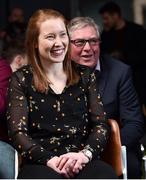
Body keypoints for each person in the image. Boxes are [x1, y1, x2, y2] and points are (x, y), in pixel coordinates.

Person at [6, 9, 117, 179]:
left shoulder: (86, 75)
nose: (59, 43)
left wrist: (84, 155)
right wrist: (50, 160)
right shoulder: (21, 79)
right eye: (50, 37)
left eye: (62, 35)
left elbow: (100, 125)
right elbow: (18, 132)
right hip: (41, 162)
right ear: (35, 42)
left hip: (82, 158)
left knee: (104, 174)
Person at [67, 16, 145, 179]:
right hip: (68, 149)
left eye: (93, 41)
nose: (88, 48)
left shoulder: (119, 72)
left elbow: (134, 123)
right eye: (80, 42)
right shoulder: (57, 74)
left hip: (110, 145)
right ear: (67, 45)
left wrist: (97, 149)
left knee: (131, 165)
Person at [99, 1, 146, 108]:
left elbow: (143, 54)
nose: (104, 21)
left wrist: (122, 55)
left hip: (138, 79)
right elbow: (102, 54)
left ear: (115, 16)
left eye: (106, 18)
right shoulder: (106, 34)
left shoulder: (137, 31)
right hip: (117, 80)